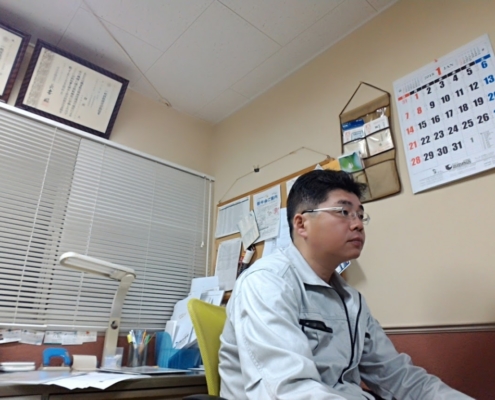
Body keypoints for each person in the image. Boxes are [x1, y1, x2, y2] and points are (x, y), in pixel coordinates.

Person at [218, 169, 473, 400]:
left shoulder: (352, 300)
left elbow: (398, 377)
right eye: (343, 212)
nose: (358, 224)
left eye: (360, 215)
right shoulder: (266, 282)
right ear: (301, 224)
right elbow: (287, 390)